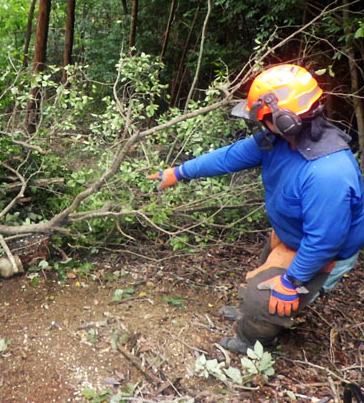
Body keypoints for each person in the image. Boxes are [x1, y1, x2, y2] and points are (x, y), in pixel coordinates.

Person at [149, 64, 364, 354]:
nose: (259, 125)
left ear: (285, 119)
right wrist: (180, 172)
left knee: (264, 297)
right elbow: (231, 156)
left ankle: (253, 343)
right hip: (294, 235)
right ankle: (255, 313)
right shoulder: (279, 140)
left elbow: (325, 241)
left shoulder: (328, 172)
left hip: (324, 252)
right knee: (263, 268)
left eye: (263, 118)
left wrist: (291, 282)